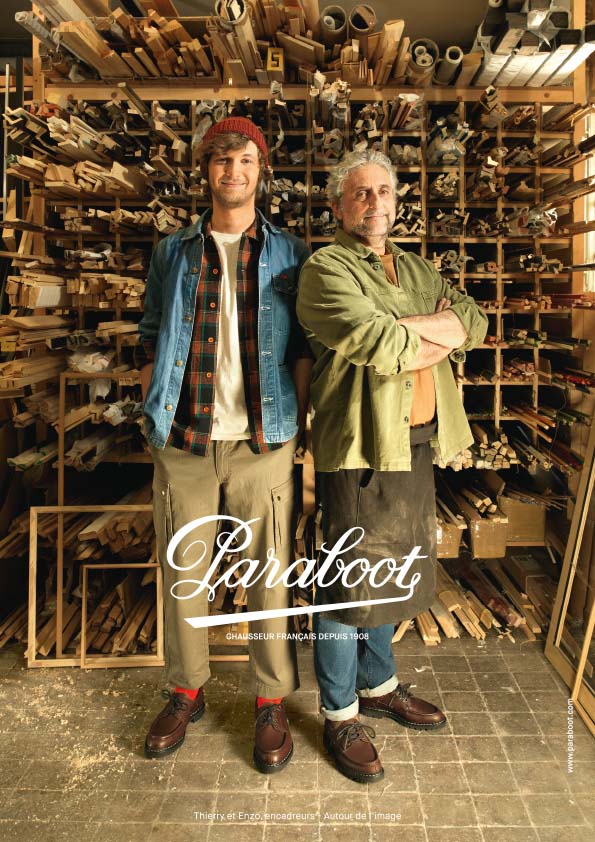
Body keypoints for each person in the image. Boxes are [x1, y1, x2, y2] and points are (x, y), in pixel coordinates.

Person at [296, 149, 488, 783]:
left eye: (383, 191)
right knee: (344, 583)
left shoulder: (415, 266)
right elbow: (379, 342)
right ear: (338, 205)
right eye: (361, 192)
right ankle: (339, 713)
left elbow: (475, 318)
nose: (374, 202)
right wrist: (439, 332)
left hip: (417, 441)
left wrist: (427, 327)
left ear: (396, 201)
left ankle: (378, 687)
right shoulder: (325, 269)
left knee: (392, 570)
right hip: (358, 446)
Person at [136, 116, 312, 772]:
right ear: (206, 170)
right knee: (184, 573)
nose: (232, 171)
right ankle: (186, 691)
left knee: (269, 574)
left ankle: (269, 699)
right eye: (221, 160)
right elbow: (151, 332)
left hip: (262, 441)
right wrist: (153, 410)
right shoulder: (173, 251)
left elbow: (303, 345)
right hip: (184, 438)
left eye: (244, 160)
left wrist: (293, 424)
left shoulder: (290, 253)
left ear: (261, 171)